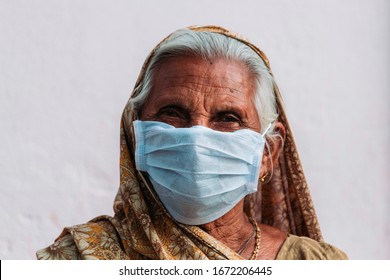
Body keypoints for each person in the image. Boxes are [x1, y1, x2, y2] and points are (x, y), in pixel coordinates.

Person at [36, 25, 347, 260]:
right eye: (173, 113)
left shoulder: (315, 263)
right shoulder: (80, 258)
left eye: (228, 118)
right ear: (136, 133)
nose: (197, 138)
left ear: (267, 152)